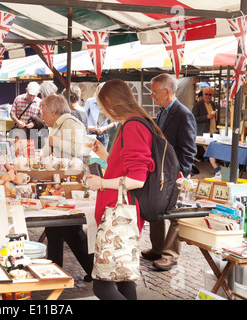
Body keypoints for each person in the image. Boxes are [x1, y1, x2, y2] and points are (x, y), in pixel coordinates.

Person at [86, 78, 157, 300]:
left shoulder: (133, 125)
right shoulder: (136, 122)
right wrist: (105, 156)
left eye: (102, 105)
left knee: (103, 285)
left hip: (119, 215)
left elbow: (137, 179)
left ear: (109, 101)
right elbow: (127, 169)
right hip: (122, 213)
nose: (104, 111)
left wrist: (102, 183)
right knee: (124, 278)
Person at [141, 73, 197, 271]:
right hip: (161, 172)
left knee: (175, 215)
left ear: (167, 92)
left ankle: (170, 254)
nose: (152, 96)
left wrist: (181, 175)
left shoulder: (183, 114)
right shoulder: (162, 111)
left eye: (154, 92)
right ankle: (157, 248)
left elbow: (189, 149)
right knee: (155, 207)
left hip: (176, 173)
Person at [40, 94, 93, 281]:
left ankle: (93, 270)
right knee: (54, 228)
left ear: (54, 111)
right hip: (58, 184)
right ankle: (55, 270)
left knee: (70, 229)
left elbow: (82, 149)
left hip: (70, 185)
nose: (41, 115)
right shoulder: (56, 126)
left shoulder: (71, 124)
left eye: (43, 111)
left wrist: (57, 142)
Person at [192, 87, 221, 176]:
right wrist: (206, 117)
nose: (208, 96)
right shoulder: (198, 105)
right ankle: (217, 170)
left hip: (213, 131)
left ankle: (218, 169)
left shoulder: (212, 104)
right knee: (210, 150)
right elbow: (193, 118)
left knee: (214, 150)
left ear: (212, 95)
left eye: (210, 94)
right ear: (202, 94)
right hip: (203, 133)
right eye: (206, 94)